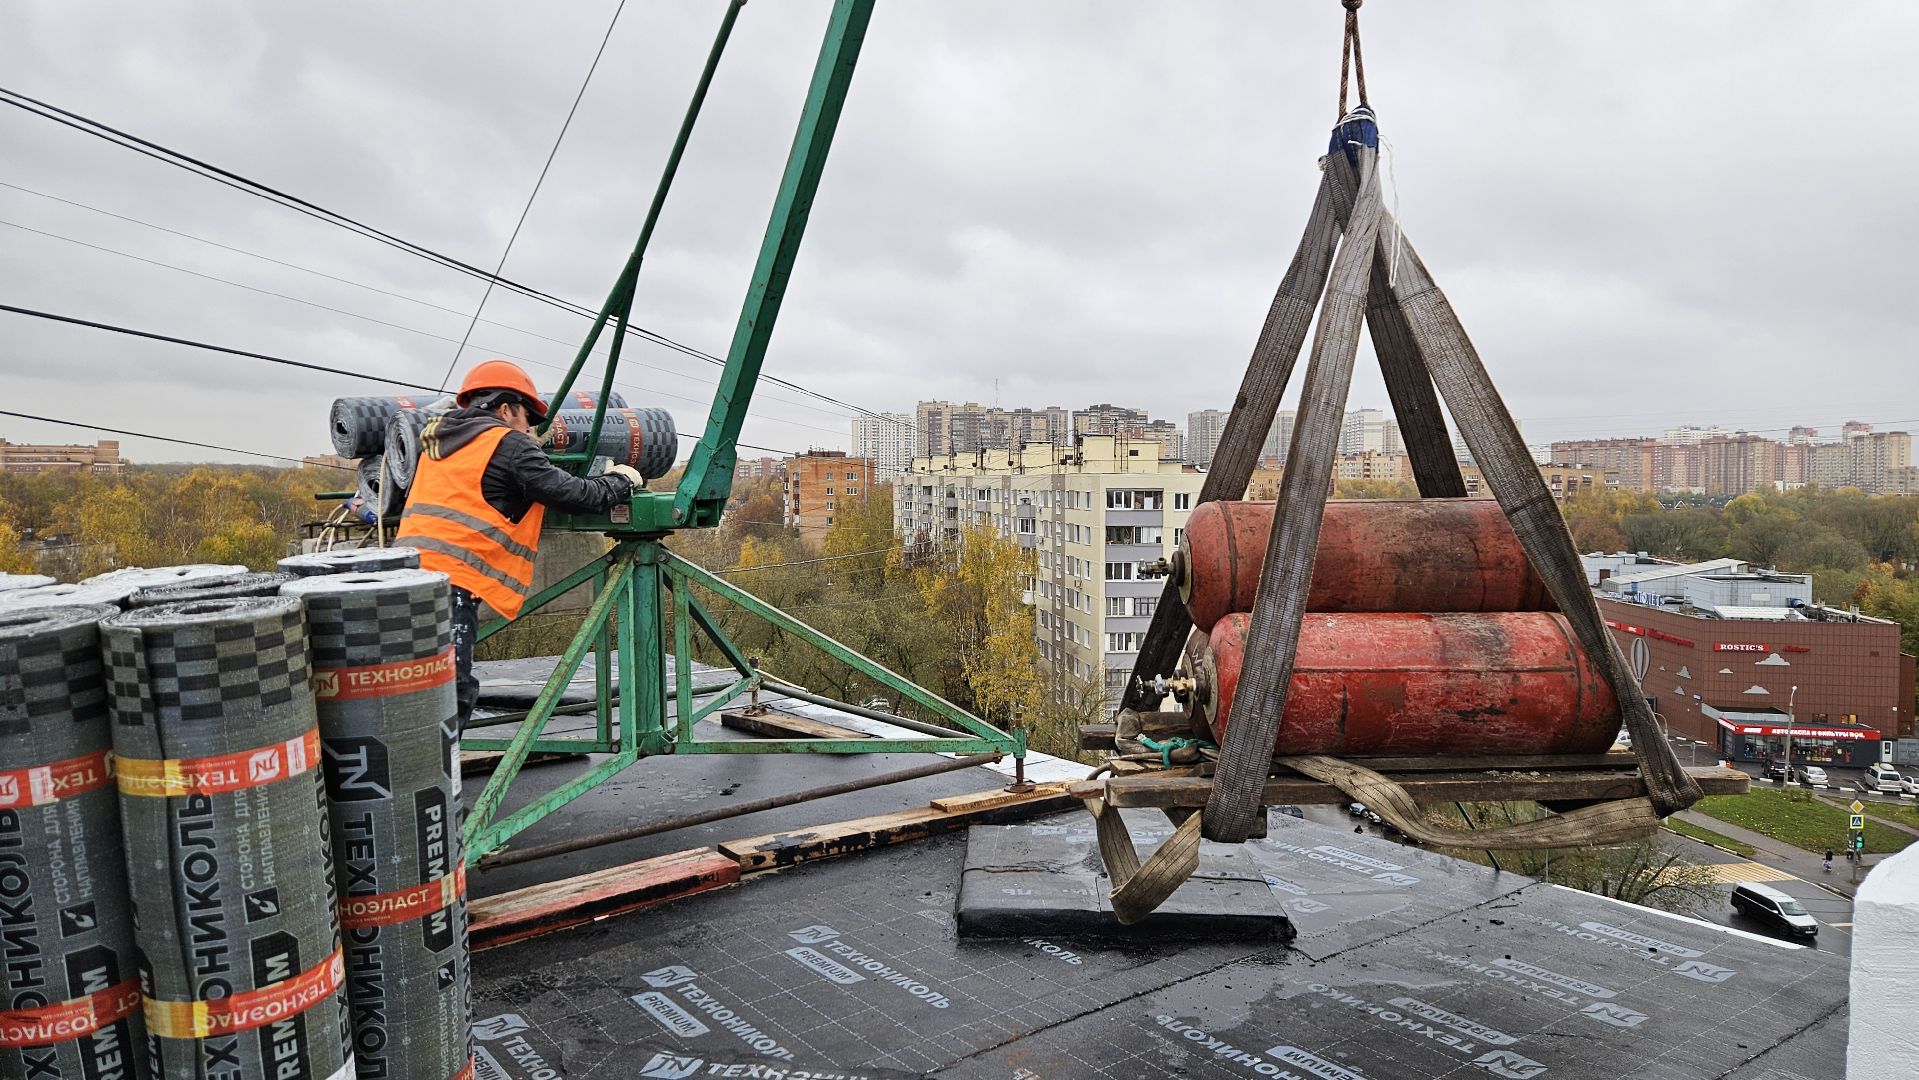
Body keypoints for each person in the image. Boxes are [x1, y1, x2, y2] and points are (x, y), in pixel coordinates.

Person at [397, 360, 644, 733]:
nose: (530, 428)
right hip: (452, 586)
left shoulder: (438, 445)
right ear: (506, 408)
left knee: (420, 692)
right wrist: (620, 481)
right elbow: (576, 495)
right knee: (452, 698)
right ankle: (436, 787)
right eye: (527, 418)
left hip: (406, 578)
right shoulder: (508, 444)